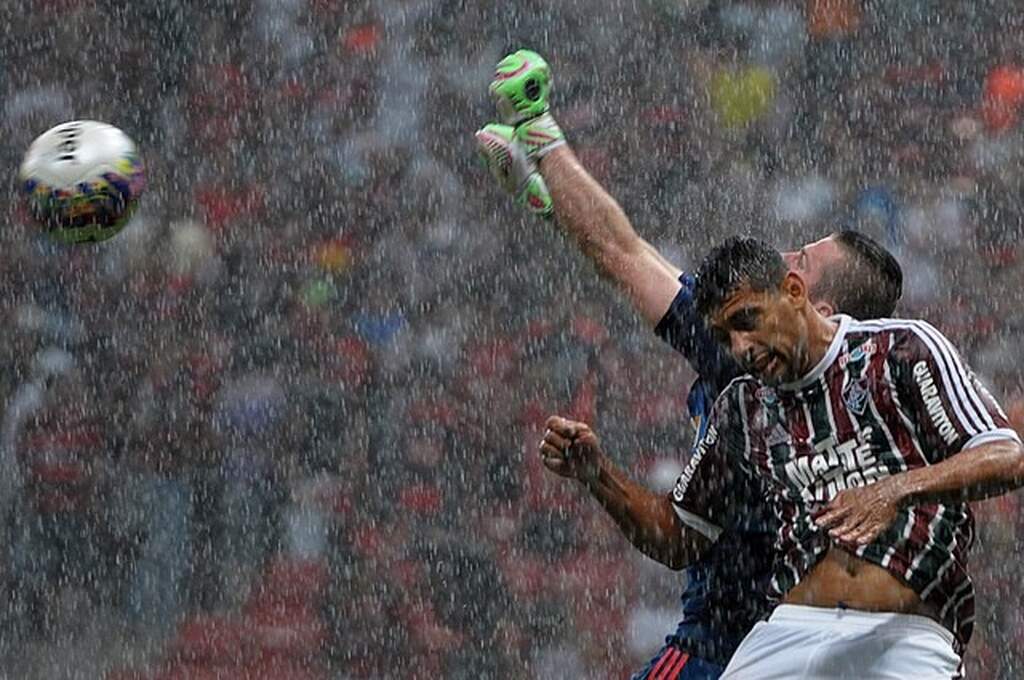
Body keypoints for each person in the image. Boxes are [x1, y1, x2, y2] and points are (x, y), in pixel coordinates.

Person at [476, 50, 903, 677]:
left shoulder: (751, 369)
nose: (784, 258)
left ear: (818, 305)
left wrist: (540, 127)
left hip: (722, 647)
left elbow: (623, 255)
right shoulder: (855, 390)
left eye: (801, 265)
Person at [663, 236, 1022, 677]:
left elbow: (1007, 456)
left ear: (796, 292)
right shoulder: (743, 403)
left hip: (907, 633)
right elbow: (676, 536)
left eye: (746, 321)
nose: (740, 348)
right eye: (724, 336)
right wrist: (595, 471)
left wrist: (894, 490)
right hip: (790, 628)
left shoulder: (900, 349)